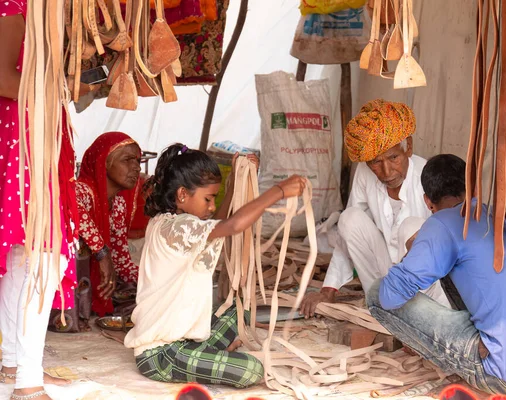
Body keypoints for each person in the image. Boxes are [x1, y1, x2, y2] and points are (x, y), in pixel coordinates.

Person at [367, 154, 506, 396]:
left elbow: (389, 297)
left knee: (377, 292)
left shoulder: (443, 223)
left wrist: (412, 255)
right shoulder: (502, 217)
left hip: (500, 375)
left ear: (428, 202)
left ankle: (480, 353)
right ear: (472, 188)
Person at [124, 143, 306, 388]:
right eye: (208, 199)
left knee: (237, 313)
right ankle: (206, 358)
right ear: (182, 195)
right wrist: (278, 191)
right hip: (161, 355)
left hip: (183, 339)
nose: (211, 206)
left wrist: (233, 181)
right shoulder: (176, 228)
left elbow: (220, 224)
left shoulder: (182, 224)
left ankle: (204, 356)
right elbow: (232, 226)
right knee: (250, 370)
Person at [300, 99, 448, 318]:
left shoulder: (429, 175)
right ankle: (380, 307)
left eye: (393, 157)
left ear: (408, 146)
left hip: (427, 286)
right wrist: (328, 290)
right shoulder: (365, 173)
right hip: (387, 280)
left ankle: (416, 316)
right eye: (375, 163)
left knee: (412, 227)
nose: (386, 171)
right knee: (348, 219)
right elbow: (346, 236)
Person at [0, 1, 78, 398]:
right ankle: (27, 383)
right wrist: (56, 90)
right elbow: (3, 79)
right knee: (46, 251)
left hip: (29, 134)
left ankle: (15, 365)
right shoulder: (13, 5)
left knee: (22, 254)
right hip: (24, 140)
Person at [75, 132, 144, 320]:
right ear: (104, 161)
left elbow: (121, 260)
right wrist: (102, 254)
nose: (136, 168)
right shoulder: (81, 190)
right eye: (127, 160)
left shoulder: (118, 203)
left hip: (93, 283)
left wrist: (153, 279)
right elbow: (77, 214)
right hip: (69, 282)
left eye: (137, 161)